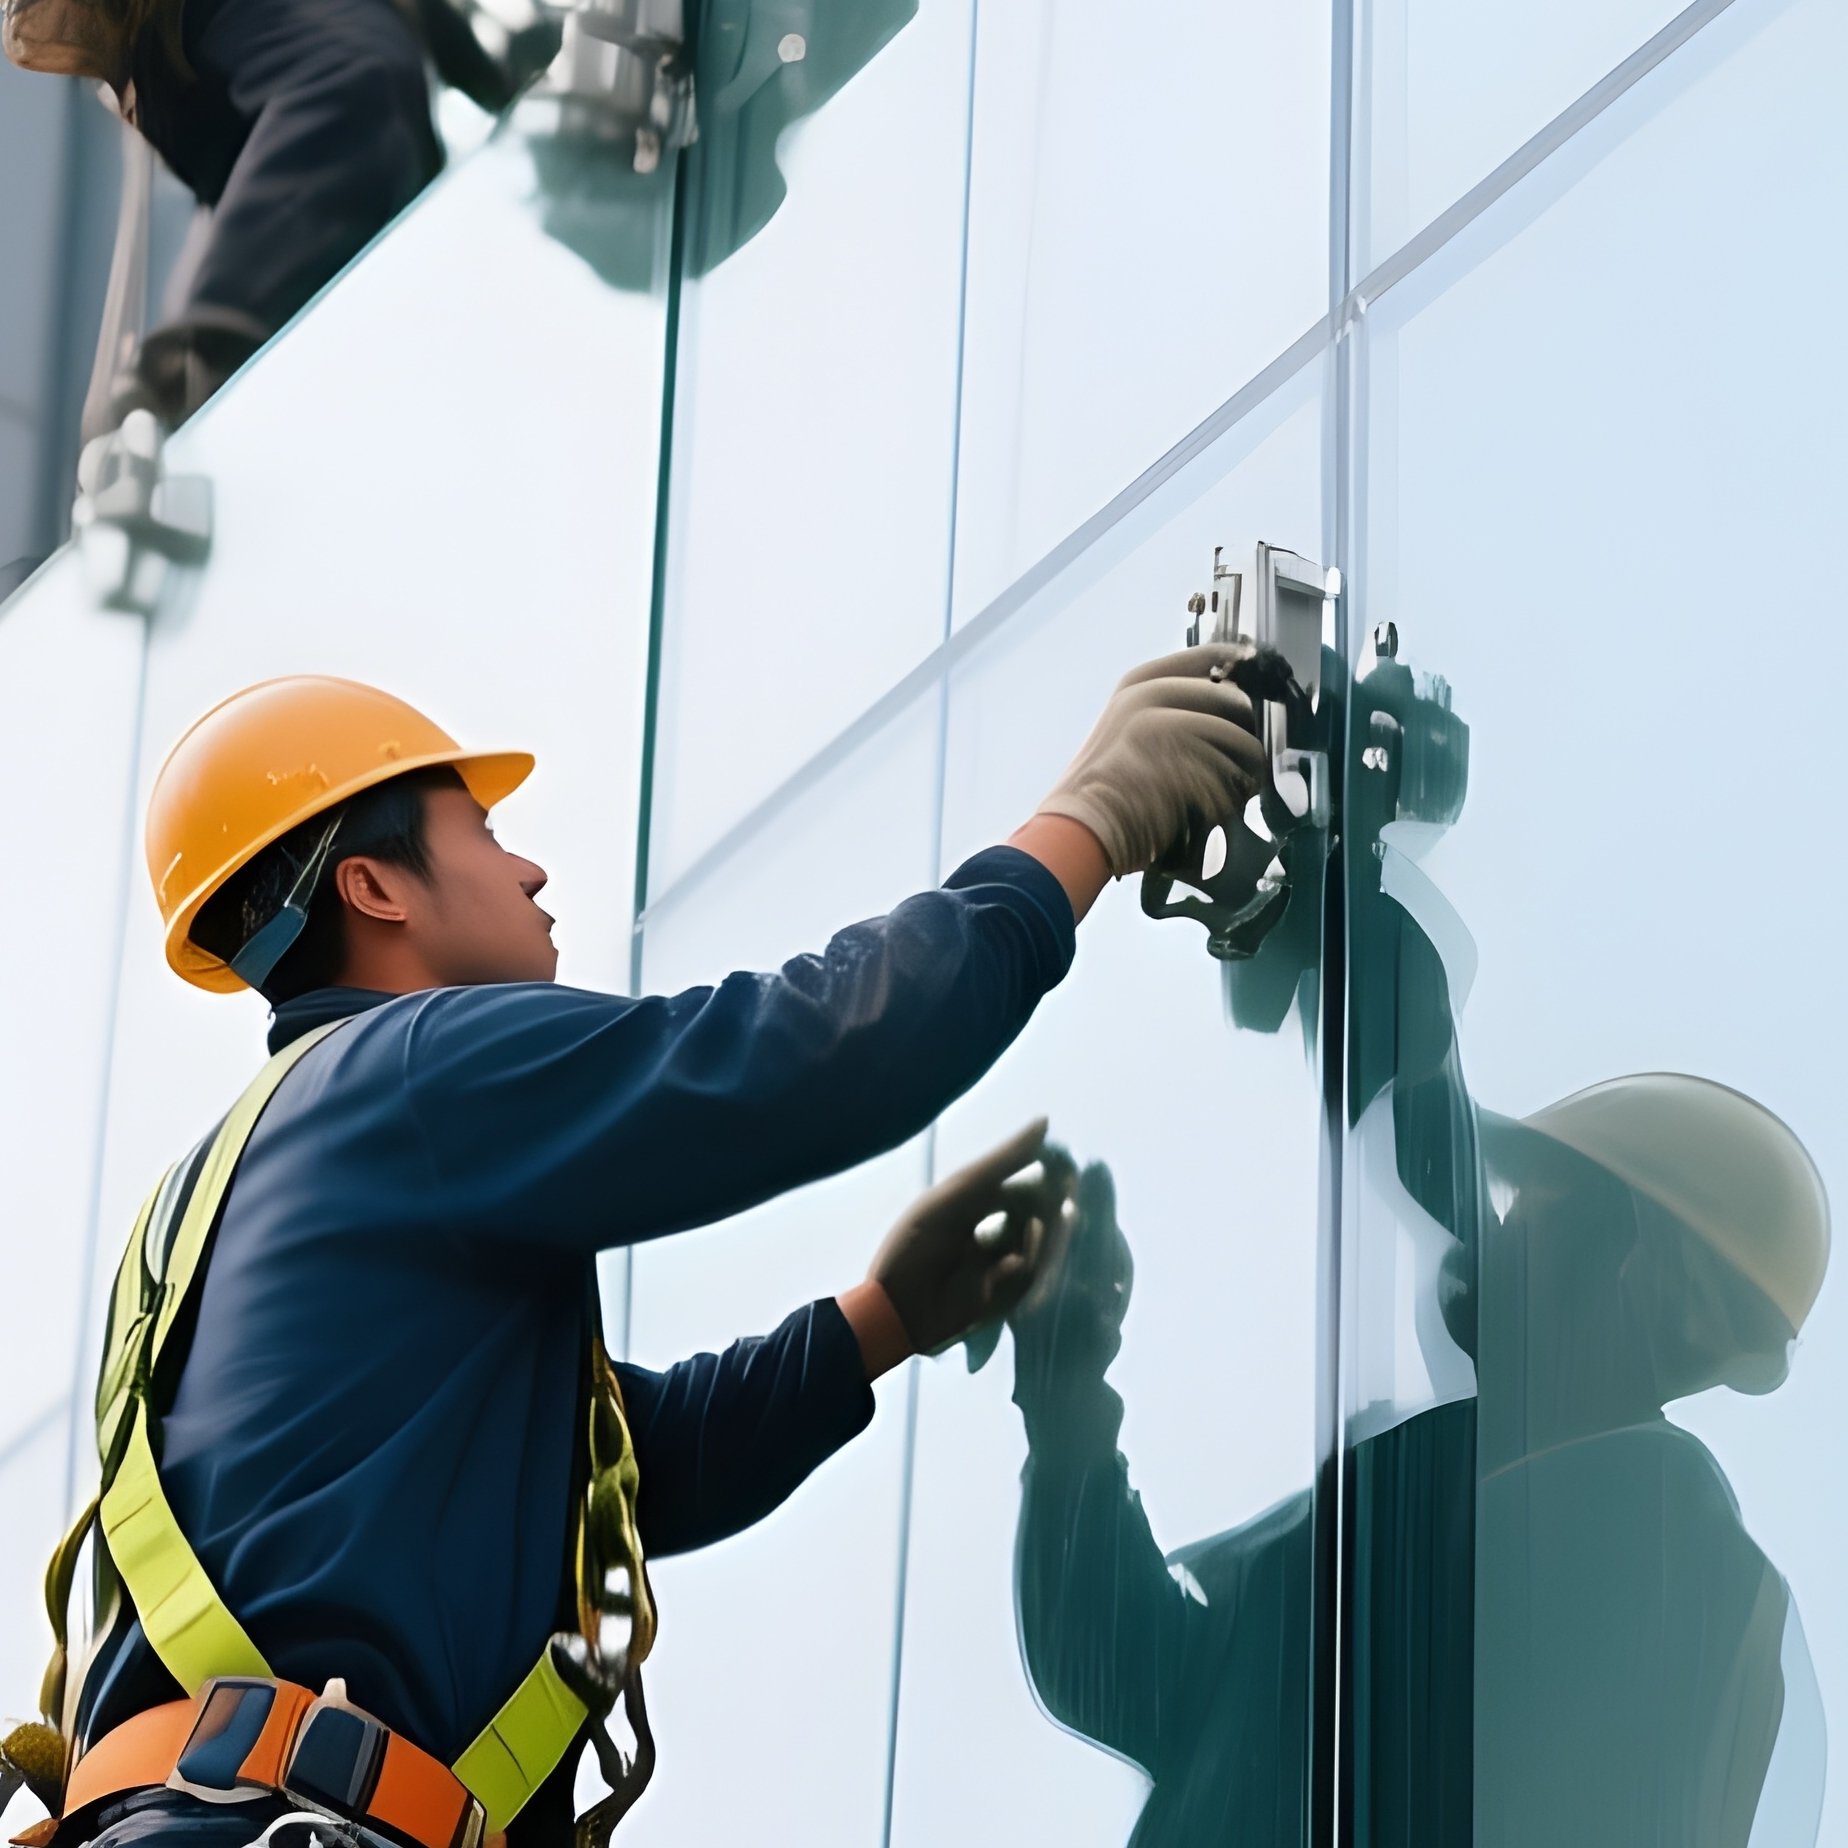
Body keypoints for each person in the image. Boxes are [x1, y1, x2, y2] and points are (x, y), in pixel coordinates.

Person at [14, 649, 1265, 1847]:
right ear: (375, 888)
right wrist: (1092, 820)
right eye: (483, 834)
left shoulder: (226, 1191)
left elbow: (611, 1479)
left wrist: (887, 1315)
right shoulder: (414, 1073)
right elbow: (809, 1052)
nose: (530, 869)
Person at [0, 0, 549, 431]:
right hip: (299, 102)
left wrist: (515, 92)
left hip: (281, 116)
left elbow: (412, 54)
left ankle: (189, 379)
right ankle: (192, 374)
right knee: (358, 78)